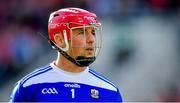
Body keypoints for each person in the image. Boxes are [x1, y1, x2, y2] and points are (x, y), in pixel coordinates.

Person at [10, 7, 123, 102]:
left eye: (93, 32)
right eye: (82, 32)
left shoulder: (110, 91)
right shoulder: (29, 87)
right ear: (59, 40)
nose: (91, 39)